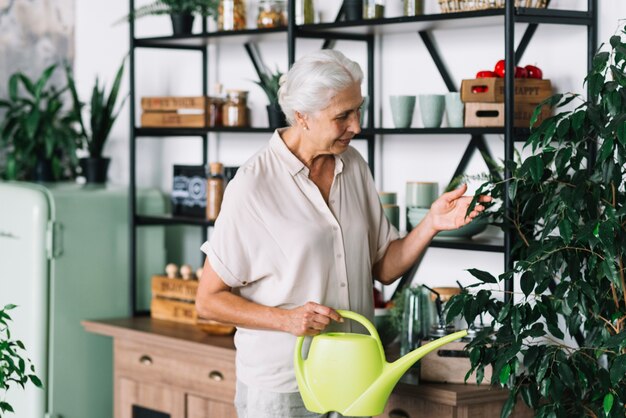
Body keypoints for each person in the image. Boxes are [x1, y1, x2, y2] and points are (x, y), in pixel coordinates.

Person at [195, 49, 490, 418]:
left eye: (358, 109)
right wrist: (286, 320)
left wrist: (431, 223)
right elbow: (208, 300)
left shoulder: (353, 165)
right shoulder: (254, 185)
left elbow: (383, 267)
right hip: (285, 386)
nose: (356, 125)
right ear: (302, 116)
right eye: (342, 116)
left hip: (354, 380)